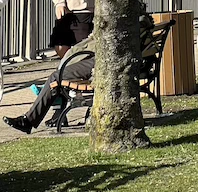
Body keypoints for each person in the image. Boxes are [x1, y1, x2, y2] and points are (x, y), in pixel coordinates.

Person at [4, 9, 157, 135]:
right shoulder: (138, 22)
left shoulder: (122, 23)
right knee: (58, 77)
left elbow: (96, 46)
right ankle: (44, 109)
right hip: (127, 64)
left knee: (56, 77)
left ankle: (30, 119)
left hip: (105, 64)